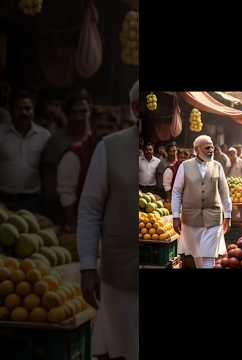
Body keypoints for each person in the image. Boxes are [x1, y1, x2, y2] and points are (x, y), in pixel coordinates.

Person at [77, 80, 139, 360]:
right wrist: (88, 266)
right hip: (119, 274)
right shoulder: (110, 148)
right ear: (137, 108)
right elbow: (90, 209)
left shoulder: (180, 152)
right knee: (119, 347)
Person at [172, 135, 232, 269]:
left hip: (214, 217)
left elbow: (224, 192)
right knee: (197, 254)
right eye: (207, 147)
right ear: (196, 149)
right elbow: (176, 191)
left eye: (212, 147)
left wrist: (228, 215)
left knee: (209, 255)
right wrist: (175, 216)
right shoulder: (185, 166)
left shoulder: (218, 166)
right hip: (190, 218)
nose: (211, 150)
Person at [57, 107, 118, 232]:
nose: (105, 131)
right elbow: (67, 194)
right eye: (100, 127)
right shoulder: (75, 154)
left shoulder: (119, 153)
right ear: (92, 128)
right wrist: (74, 226)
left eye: (110, 127)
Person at [41, 89, 92, 224]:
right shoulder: (56, 141)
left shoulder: (96, 139)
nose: (80, 116)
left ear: (89, 113)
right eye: (75, 112)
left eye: (84, 111)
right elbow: (49, 182)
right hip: (61, 209)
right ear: (67, 115)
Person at [0, 90, 51, 212]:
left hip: (32, 201)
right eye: (19, 108)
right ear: (12, 110)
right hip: (3, 199)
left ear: (33, 110)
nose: (24, 112)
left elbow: (47, 170)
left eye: (28, 108)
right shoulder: (0, 133)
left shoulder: (44, 135)